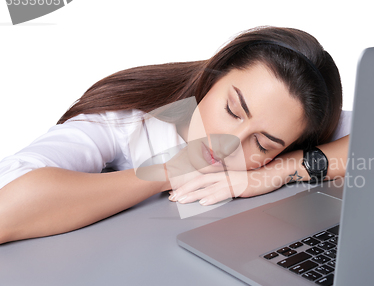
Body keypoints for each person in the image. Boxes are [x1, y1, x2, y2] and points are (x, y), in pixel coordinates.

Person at [0, 26, 351, 244]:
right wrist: (167, 172)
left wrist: (275, 172)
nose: (230, 143)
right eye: (232, 110)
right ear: (213, 77)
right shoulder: (127, 121)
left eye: (262, 143)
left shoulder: (292, 128)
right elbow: (7, 206)